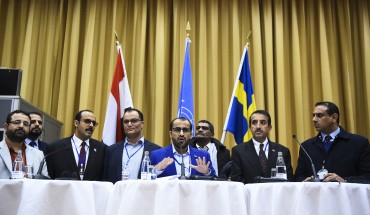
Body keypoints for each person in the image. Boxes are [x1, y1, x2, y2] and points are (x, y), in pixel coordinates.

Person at [295, 102, 370, 183]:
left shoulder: (358, 143)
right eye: (313, 115)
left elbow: (367, 177)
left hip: (346, 194)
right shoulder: (306, 146)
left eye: (319, 115)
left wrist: (344, 180)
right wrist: (305, 181)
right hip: (315, 194)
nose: (314, 119)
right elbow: (298, 177)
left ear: (334, 117)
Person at [231, 110, 294, 183]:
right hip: (250, 193)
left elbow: (289, 180)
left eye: (263, 122)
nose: (258, 126)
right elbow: (237, 180)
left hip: (276, 193)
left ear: (269, 128)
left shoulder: (282, 151)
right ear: (250, 127)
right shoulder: (238, 151)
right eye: (254, 123)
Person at [104, 108, 161, 183]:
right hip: (117, 193)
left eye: (133, 121)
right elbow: (105, 180)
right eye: (126, 122)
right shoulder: (111, 150)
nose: (129, 124)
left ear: (142, 124)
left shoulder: (156, 151)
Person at [46, 110, 106, 181]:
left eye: (94, 123)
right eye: (87, 121)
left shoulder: (102, 149)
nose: (91, 125)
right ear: (76, 123)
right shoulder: (55, 148)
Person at [150, 117, 216, 178]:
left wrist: (206, 173)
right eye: (177, 130)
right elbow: (146, 181)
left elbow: (214, 178)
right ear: (170, 134)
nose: (181, 134)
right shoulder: (157, 155)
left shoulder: (203, 155)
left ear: (190, 135)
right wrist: (156, 171)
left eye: (185, 130)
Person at [0, 110, 47, 179]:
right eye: (17, 122)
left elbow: (44, 182)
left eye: (25, 124)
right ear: (6, 127)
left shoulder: (39, 155)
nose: (21, 126)